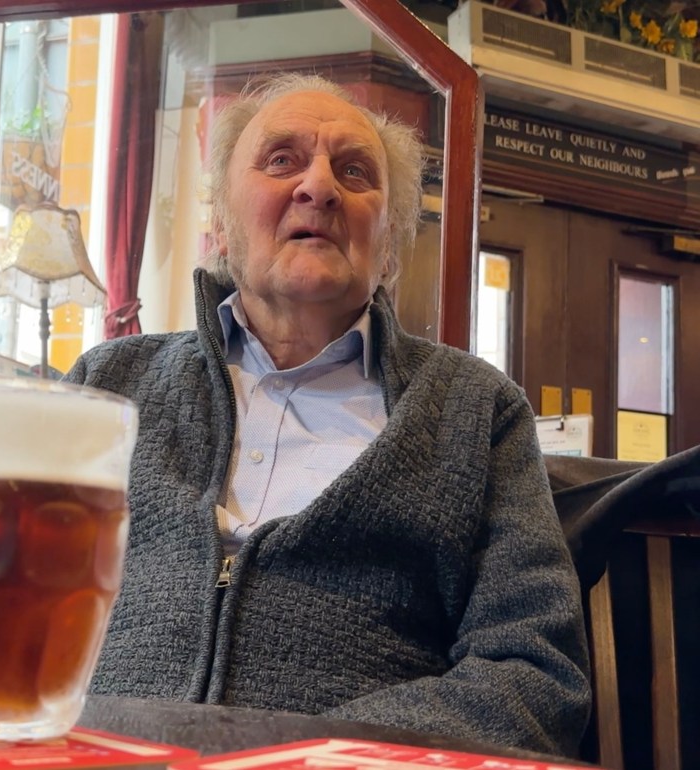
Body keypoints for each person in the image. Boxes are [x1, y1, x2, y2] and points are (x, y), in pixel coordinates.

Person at [65, 73, 591, 757]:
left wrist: (314, 753)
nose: (318, 187)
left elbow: (534, 675)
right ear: (221, 222)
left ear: (391, 243)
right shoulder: (109, 382)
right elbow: (2, 613)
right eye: (281, 160)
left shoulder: (475, 409)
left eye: (354, 171)